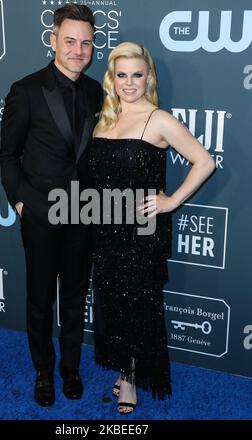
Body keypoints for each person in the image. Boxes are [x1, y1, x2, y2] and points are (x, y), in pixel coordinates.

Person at [90, 42, 215, 414]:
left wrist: (172, 201)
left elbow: (204, 161)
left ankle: (130, 382)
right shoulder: (105, 117)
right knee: (113, 302)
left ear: (149, 78)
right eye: (122, 74)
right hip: (105, 224)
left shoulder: (158, 119)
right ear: (112, 78)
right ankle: (124, 366)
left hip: (143, 229)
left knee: (138, 305)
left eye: (137, 75)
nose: (129, 83)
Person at [0, 4, 103, 407]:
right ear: (53, 40)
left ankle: (70, 368)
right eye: (70, 41)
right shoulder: (26, 89)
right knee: (40, 298)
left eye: (86, 43)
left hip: (84, 213)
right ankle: (43, 370)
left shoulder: (97, 91)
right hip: (40, 213)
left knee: (76, 296)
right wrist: (22, 203)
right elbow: (8, 155)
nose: (78, 50)